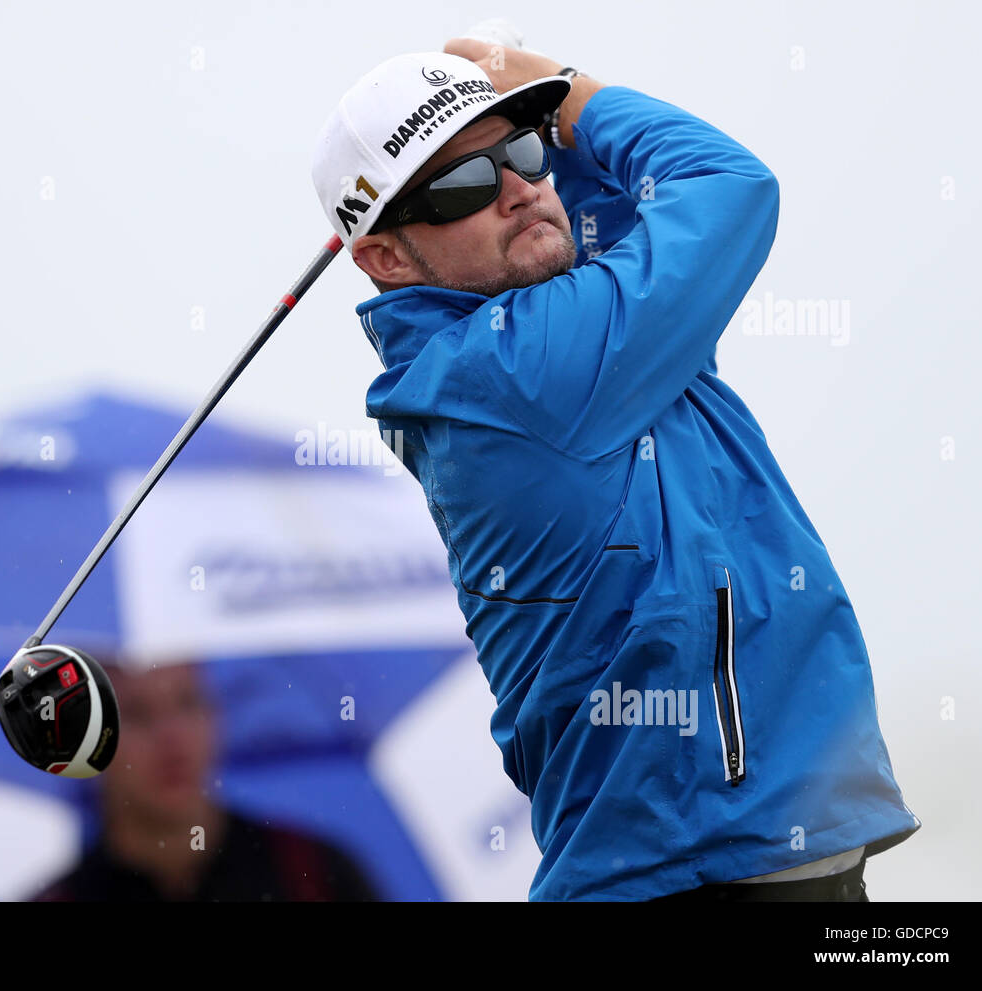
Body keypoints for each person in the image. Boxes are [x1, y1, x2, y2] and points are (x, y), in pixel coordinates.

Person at [309, 40, 919, 901]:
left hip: (738, 857)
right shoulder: (516, 374)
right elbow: (724, 187)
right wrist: (573, 101)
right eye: (461, 186)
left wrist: (546, 130)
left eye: (522, 154)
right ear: (385, 258)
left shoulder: (566, 334)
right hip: (698, 870)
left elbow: (614, 219)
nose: (519, 188)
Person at [32, 659, 378, 901]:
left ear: (216, 716)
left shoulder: (312, 875)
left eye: (187, 701)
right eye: (136, 713)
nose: (171, 736)